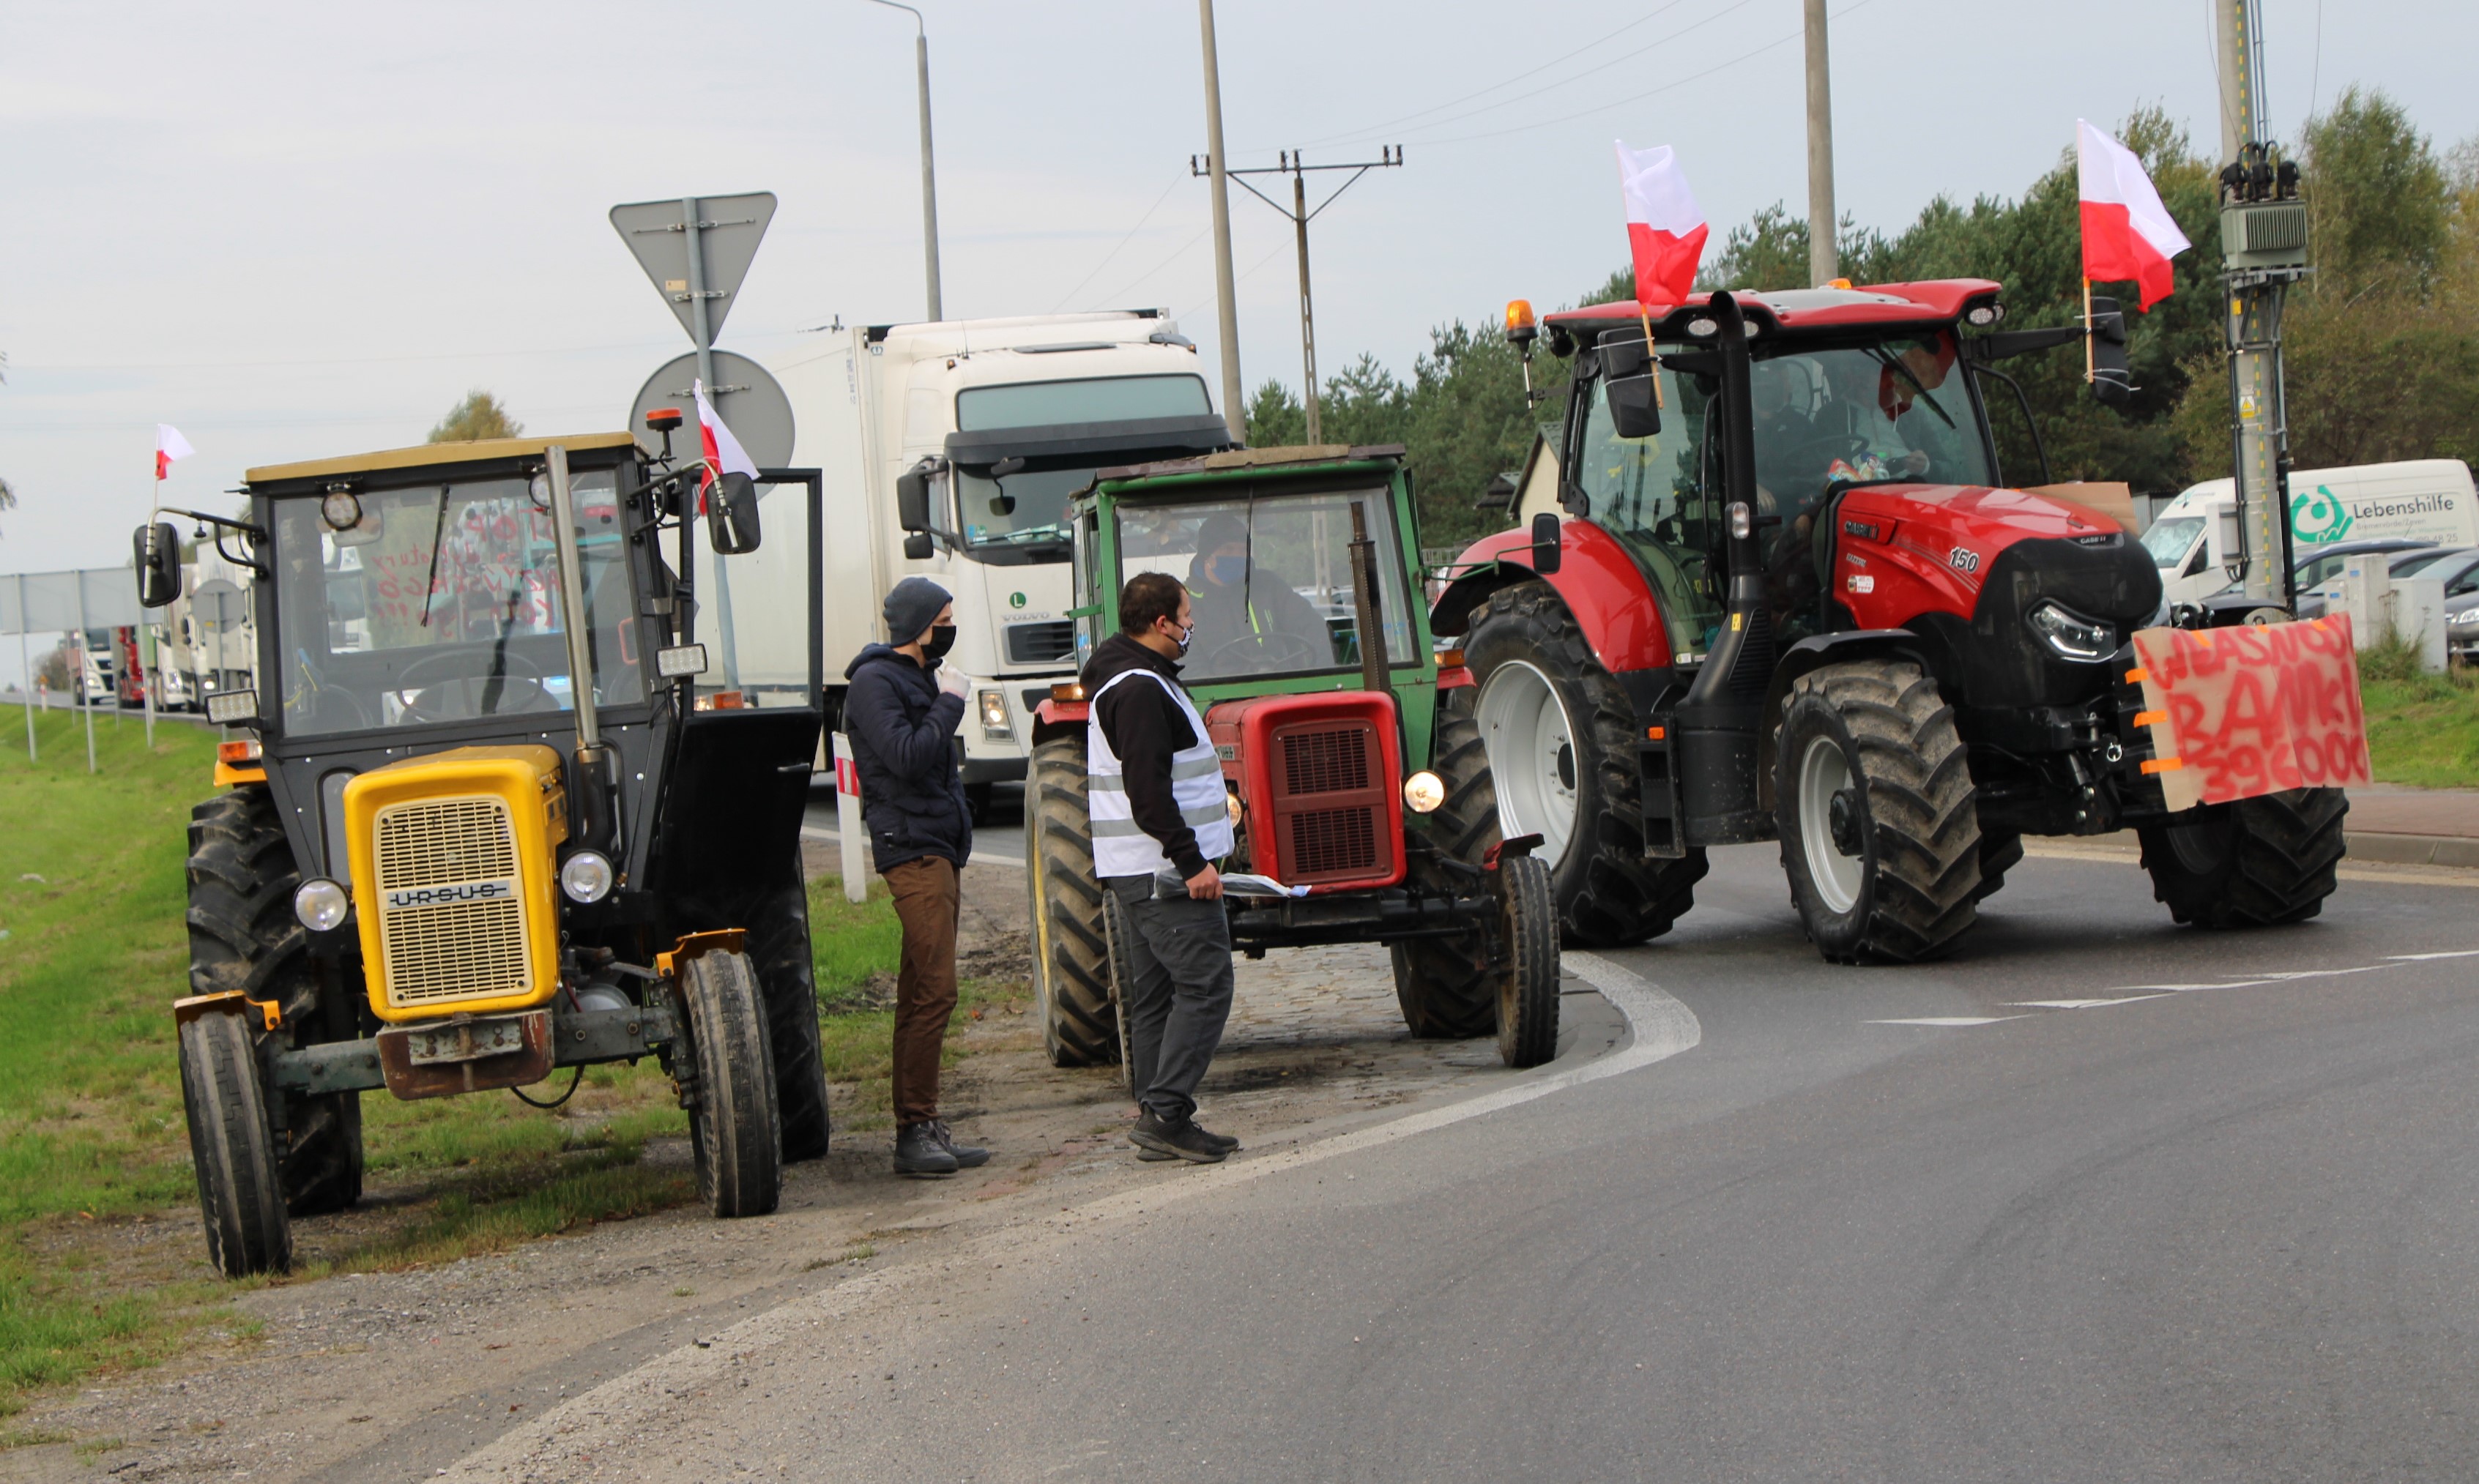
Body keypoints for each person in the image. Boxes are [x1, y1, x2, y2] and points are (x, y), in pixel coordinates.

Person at [1081, 570, 1244, 1165]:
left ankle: (1157, 1118)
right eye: (1186, 614)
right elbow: (1148, 793)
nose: (1192, 624)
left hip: (1135, 869)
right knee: (1205, 984)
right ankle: (1167, 1113)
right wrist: (1192, 860)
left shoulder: (1131, 676)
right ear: (1160, 623)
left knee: (1154, 997)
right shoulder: (1140, 689)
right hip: (1162, 872)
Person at [841, 575, 991, 1177]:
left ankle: (920, 1122)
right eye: (945, 620)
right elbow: (905, 756)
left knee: (918, 991)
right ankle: (914, 1128)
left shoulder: (914, 677)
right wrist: (950, 703)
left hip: (936, 846)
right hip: (912, 850)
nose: (950, 630)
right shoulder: (873, 682)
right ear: (921, 625)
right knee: (936, 989)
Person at [1183, 513, 1331, 672]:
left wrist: (1324, 674)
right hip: (1224, 693)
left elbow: (1312, 625)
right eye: (1228, 549)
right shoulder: (1186, 602)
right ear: (1207, 555)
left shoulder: (1269, 586)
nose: (1236, 556)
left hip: (1283, 686)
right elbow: (1190, 665)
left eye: (1242, 550)